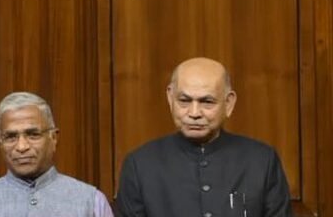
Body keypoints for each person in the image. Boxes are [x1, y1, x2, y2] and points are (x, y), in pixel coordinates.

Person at [115, 57, 293, 217]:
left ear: (228, 103)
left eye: (207, 102)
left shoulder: (261, 160)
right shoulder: (140, 165)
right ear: (170, 98)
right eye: (184, 101)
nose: (194, 113)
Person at [0, 92, 112, 216]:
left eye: (33, 134)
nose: (22, 146)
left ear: (54, 138)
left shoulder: (91, 202)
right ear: (0, 142)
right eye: (11, 137)